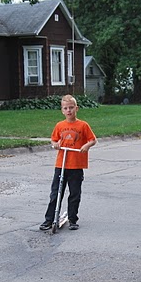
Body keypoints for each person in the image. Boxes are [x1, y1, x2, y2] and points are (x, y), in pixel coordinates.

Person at [39, 95, 97, 231]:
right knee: (56, 193)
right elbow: (53, 140)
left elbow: (92, 139)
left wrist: (86, 146)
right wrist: (56, 145)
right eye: (66, 108)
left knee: (74, 193)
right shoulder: (60, 126)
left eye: (71, 108)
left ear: (76, 109)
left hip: (76, 165)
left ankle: (72, 219)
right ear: (62, 110)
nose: (69, 110)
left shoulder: (83, 125)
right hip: (61, 164)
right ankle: (49, 219)